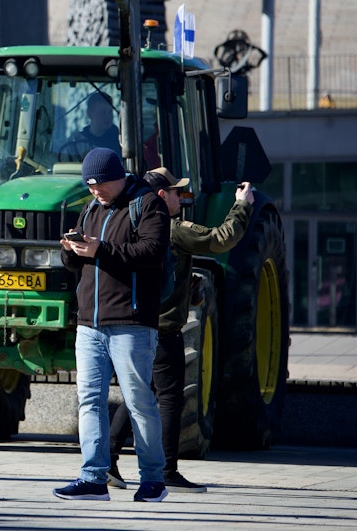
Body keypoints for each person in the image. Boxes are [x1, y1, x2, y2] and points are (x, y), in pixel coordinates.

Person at [108, 170, 254, 494]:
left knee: (137, 393)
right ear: (162, 196)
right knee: (170, 398)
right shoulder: (173, 228)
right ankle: (167, 469)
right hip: (164, 330)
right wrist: (242, 205)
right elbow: (220, 239)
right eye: (176, 192)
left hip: (138, 325)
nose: (181, 197)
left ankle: (109, 457)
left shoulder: (135, 225)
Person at [53, 147, 170, 503]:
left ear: (120, 176)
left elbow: (152, 253)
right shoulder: (91, 207)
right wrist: (70, 252)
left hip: (132, 322)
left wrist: (100, 250)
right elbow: (82, 263)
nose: (96, 192)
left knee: (138, 400)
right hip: (89, 323)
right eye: (90, 186)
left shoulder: (148, 204)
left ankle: (153, 479)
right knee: (89, 399)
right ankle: (92, 477)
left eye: (101, 184)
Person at [62, 92, 121, 158]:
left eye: (110, 112)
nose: (108, 117)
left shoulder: (119, 140)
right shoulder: (75, 142)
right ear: (90, 114)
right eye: (102, 112)